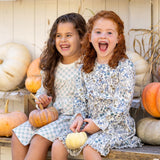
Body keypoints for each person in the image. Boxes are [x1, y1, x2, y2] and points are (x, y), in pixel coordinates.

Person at [51, 10, 142, 160]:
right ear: (90, 37)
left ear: (119, 38)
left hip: (116, 127)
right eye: (98, 32)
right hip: (88, 124)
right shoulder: (85, 67)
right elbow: (79, 98)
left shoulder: (125, 67)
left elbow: (121, 105)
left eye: (109, 33)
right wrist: (79, 117)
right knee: (59, 144)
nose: (103, 36)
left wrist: (99, 124)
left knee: (90, 148)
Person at [11, 12, 86, 160]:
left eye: (68, 35)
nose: (63, 40)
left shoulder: (86, 66)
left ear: (82, 38)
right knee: (18, 134)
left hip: (72, 120)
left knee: (38, 139)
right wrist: (42, 101)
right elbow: (41, 92)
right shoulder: (52, 66)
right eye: (58, 35)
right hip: (52, 117)